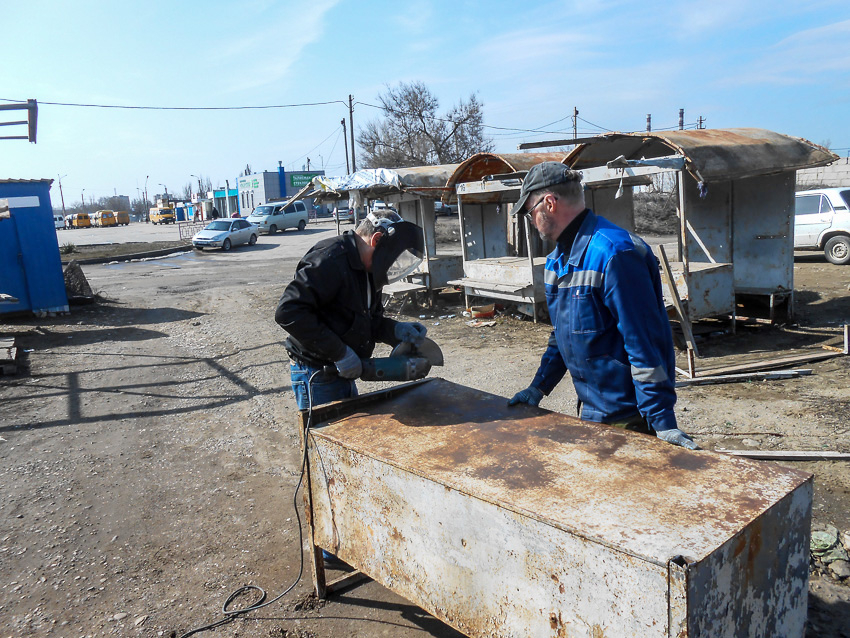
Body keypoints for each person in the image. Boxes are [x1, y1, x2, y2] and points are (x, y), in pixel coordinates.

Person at [507, 162, 698, 450]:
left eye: (530, 211)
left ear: (549, 203)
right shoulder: (556, 263)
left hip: (630, 417)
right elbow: (563, 335)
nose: (530, 220)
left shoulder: (614, 255)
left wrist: (662, 422)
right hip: (592, 410)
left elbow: (645, 342)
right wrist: (539, 387)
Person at [275, 210, 428, 411]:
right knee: (325, 438)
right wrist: (340, 353)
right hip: (317, 373)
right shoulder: (329, 258)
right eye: (389, 258)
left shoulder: (367, 270)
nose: (389, 265)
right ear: (377, 239)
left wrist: (396, 330)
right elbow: (289, 311)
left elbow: (369, 320)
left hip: (341, 371)